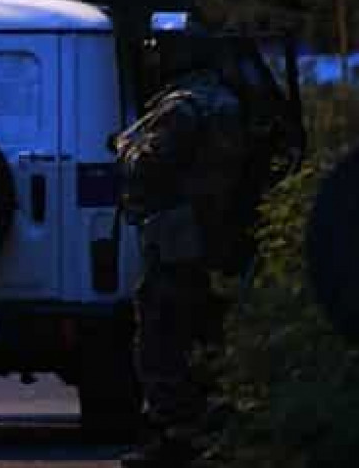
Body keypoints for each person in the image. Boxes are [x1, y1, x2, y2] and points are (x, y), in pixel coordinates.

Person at [114, 33, 282, 467]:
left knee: (162, 332)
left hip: (178, 234)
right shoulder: (227, 100)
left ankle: (176, 435)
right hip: (217, 235)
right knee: (206, 329)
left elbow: (149, 163)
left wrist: (125, 149)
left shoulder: (183, 105)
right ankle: (213, 431)